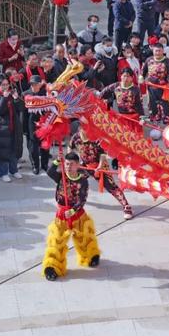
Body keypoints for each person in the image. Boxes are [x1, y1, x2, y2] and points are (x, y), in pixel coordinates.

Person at [42, 153, 101, 281]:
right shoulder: (61, 176)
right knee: (57, 241)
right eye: (67, 164)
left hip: (77, 214)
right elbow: (50, 171)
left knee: (84, 236)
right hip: (62, 215)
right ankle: (52, 267)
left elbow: (82, 198)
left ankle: (91, 256)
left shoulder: (83, 180)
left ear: (77, 165)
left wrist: (74, 210)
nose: (68, 167)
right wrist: (57, 161)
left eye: (72, 164)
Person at [69, 129, 132, 219]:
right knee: (74, 180)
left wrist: (99, 167)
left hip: (99, 165)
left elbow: (102, 155)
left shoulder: (96, 137)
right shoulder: (76, 137)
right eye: (82, 128)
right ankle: (75, 200)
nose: (84, 131)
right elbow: (70, 147)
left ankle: (126, 206)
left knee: (111, 186)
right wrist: (71, 160)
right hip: (85, 165)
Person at [0, 74, 25, 181]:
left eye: (7, 84)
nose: (6, 87)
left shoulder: (11, 94)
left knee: (14, 148)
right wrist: (4, 98)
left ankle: (13, 170)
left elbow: (21, 108)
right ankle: (2, 172)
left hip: (14, 126)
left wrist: (16, 99)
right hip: (2, 128)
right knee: (2, 150)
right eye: (3, 85)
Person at [141, 44, 169, 124]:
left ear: (163, 51)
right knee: (153, 105)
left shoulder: (167, 61)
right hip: (152, 88)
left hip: (164, 88)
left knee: (166, 107)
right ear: (153, 51)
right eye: (156, 51)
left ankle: (168, 122)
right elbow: (143, 72)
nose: (158, 53)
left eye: (160, 51)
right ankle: (155, 122)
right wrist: (141, 77)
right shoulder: (149, 60)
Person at [99, 68, 144, 133]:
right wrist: (100, 99)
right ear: (121, 76)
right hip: (121, 116)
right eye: (124, 76)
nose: (126, 78)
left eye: (128, 76)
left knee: (134, 136)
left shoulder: (136, 89)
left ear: (132, 77)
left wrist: (142, 118)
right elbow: (105, 91)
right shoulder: (116, 86)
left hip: (133, 117)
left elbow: (140, 105)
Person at [23, 76, 50, 175]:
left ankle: (45, 164)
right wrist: (24, 128)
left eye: (36, 84)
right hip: (31, 124)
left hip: (44, 123)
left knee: (45, 145)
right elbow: (23, 114)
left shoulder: (45, 93)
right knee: (33, 147)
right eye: (33, 84)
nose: (34, 86)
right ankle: (35, 166)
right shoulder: (25, 94)